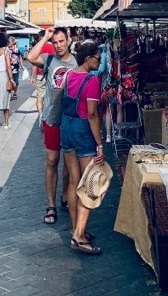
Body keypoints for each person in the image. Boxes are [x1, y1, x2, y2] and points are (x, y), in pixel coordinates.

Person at [27, 26, 76, 226]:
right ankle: (50, 205)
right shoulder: (49, 60)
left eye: (61, 41)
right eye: (55, 42)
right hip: (52, 118)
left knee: (68, 160)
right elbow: (31, 57)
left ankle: (65, 195)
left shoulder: (77, 61)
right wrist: (45, 37)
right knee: (52, 160)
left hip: (71, 119)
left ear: (68, 40)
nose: (58, 46)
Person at [61, 41, 105, 255]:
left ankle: (77, 229)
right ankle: (79, 236)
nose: (100, 61)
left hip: (66, 127)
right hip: (82, 130)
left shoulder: (68, 75)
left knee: (73, 182)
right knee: (90, 185)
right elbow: (92, 115)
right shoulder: (92, 80)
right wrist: (100, 144)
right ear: (88, 59)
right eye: (97, 57)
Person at [8, 37, 23, 101]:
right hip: (8, 67)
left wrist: (22, 65)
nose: (8, 43)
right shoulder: (6, 49)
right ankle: (10, 94)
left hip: (16, 67)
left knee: (16, 82)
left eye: (9, 42)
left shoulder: (16, 49)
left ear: (13, 42)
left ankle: (15, 93)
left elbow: (20, 57)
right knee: (9, 81)